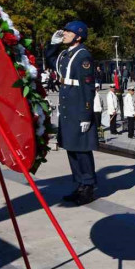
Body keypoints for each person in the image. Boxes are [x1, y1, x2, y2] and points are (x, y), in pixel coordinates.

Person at [44, 20, 98, 205]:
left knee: (82, 150)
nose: (64, 34)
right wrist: (52, 44)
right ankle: (79, 185)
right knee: (72, 148)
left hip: (78, 109)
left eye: (68, 32)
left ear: (79, 36)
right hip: (68, 108)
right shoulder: (67, 54)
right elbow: (51, 61)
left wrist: (86, 115)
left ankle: (88, 187)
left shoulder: (83, 57)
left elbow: (88, 88)